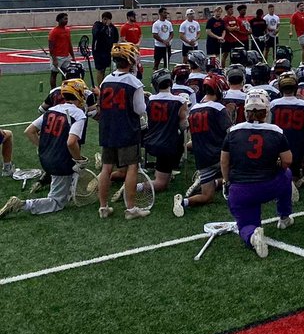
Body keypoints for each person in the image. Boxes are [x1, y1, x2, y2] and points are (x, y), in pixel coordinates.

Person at [221, 88, 294, 258]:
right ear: (266, 110)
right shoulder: (276, 131)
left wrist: (226, 181)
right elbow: (287, 161)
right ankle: (284, 217)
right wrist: (275, 163)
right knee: (287, 174)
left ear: (246, 110)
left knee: (246, 225)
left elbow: (224, 161)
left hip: (241, 190)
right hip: (269, 186)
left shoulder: (232, 132)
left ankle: (253, 236)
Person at [0, 78, 89, 219]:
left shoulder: (52, 109)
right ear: (78, 94)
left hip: (45, 159)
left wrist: (43, 147)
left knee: (64, 182)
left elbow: (29, 131)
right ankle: (22, 204)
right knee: (57, 202)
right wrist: (79, 160)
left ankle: (67, 188)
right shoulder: (78, 114)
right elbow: (71, 143)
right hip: (61, 161)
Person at [96, 42, 149, 219]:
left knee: (106, 167)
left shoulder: (105, 80)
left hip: (107, 128)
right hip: (126, 128)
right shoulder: (134, 82)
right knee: (132, 166)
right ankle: (131, 209)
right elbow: (140, 109)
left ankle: (103, 207)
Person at [173, 75, 232, 215]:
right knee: (241, 170)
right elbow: (231, 134)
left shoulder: (194, 109)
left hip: (203, 159)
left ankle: (183, 202)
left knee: (207, 197)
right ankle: (228, 183)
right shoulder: (219, 108)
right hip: (220, 156)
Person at [142, 68, 189, 193]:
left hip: (150, 142)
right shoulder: (180, 101)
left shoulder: (150, 99)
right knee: (161, 185)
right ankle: (134, 187)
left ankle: (163, 170)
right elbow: (183, 126)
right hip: (167, 146)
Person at [48, 12, 74, 90]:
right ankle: (53, 90)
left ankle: (65, 89)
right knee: (54, 74)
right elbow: (51, 46)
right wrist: (54, 59)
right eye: (65, 19)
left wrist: (72, 56)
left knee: (66, 74)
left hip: (66, 56)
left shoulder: (67, 30)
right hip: (57, 56)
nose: (66, 20)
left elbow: (69, 44)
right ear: (59, 20)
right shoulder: (54, 32)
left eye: (67, 19)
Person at [91, 12, 118, 82]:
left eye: (108, 19)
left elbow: (116, 37)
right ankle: (100, 85)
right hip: (98, 51)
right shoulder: (97, 25)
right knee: (100, 69)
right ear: (102, 19)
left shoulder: (112, 27)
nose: (106, 21)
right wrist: (105, 26)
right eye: (105, 19)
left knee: (105, 69)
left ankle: (104, 83)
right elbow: (96, 34)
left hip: (107, 51)